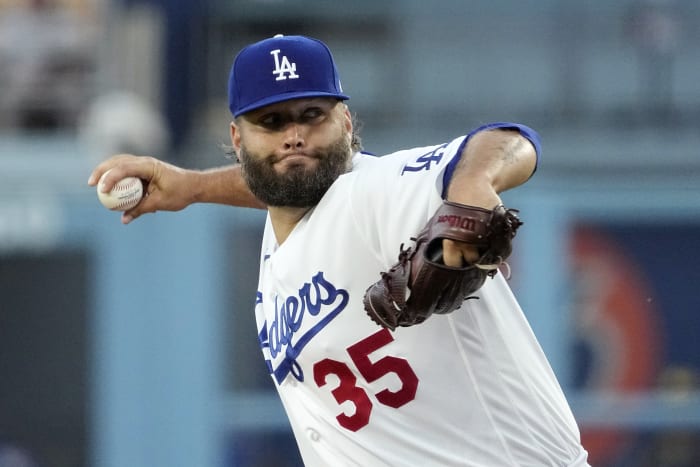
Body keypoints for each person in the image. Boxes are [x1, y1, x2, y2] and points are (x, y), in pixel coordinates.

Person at [89, 34, 589, 466]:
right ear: (238, 138)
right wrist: (192, 187)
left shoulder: (377, 193)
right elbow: (281, 182)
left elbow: (506, 139)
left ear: (346, 124)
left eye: (312, 115)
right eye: (272, 121)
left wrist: (475, 182)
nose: (294, 136)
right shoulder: (287, 222)